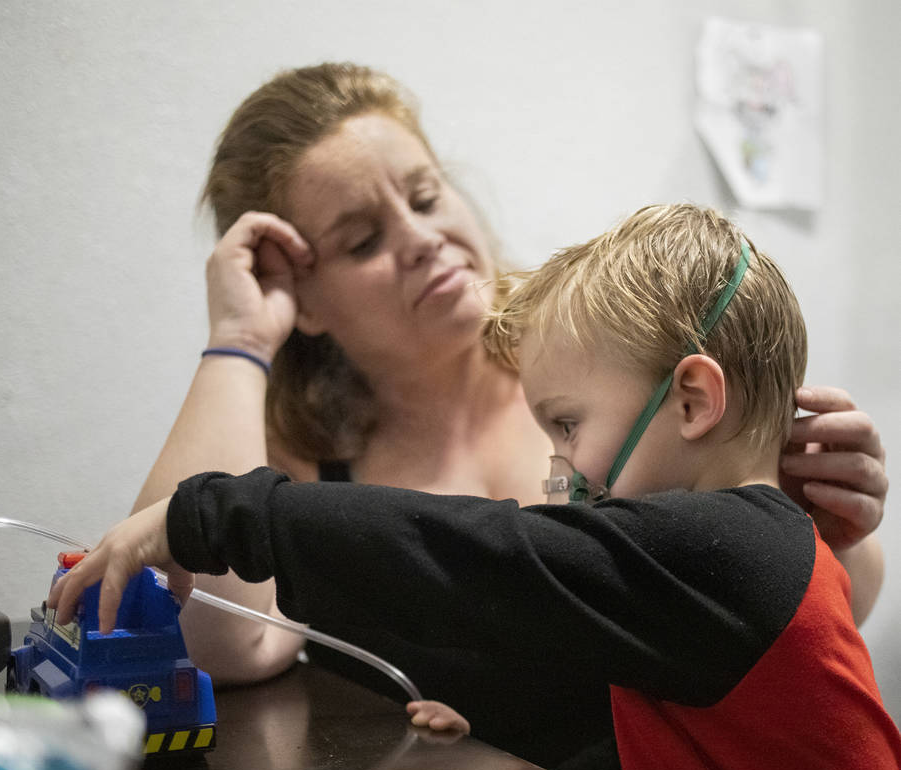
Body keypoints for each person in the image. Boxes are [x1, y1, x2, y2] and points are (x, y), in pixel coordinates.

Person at [51, 204, 901, 770]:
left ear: (691, 401)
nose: (560, 465)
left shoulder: (730, 546)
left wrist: (214, 513)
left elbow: (477, 558)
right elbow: (647, 729)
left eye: (569, 424)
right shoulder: (726, 559)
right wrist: (496, 723)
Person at [133, 64, 888, 703]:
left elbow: (801, 614)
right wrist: (237, 341)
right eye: (363, 240)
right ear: (305, 302)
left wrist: (827, 527)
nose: (423, 238)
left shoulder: (620, 373)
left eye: (426, 197)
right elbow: (215, 645)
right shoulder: (291, 459)